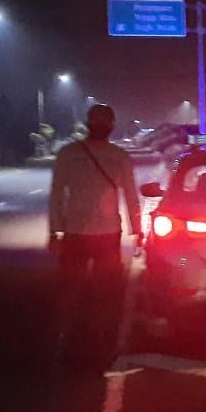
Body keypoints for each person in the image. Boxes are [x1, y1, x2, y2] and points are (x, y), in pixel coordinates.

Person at [47, 104, 143, 361]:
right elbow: (131, 196)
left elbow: (57, 195)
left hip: (74, 234)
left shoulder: (68, 154)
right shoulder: (119, 156)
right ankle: (105, 343)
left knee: (69, 289)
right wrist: (138, 231)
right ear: (112, 127)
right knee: (107, 291)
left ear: (88, 125)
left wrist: (55, 232)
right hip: (107, 234)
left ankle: (61, 340)